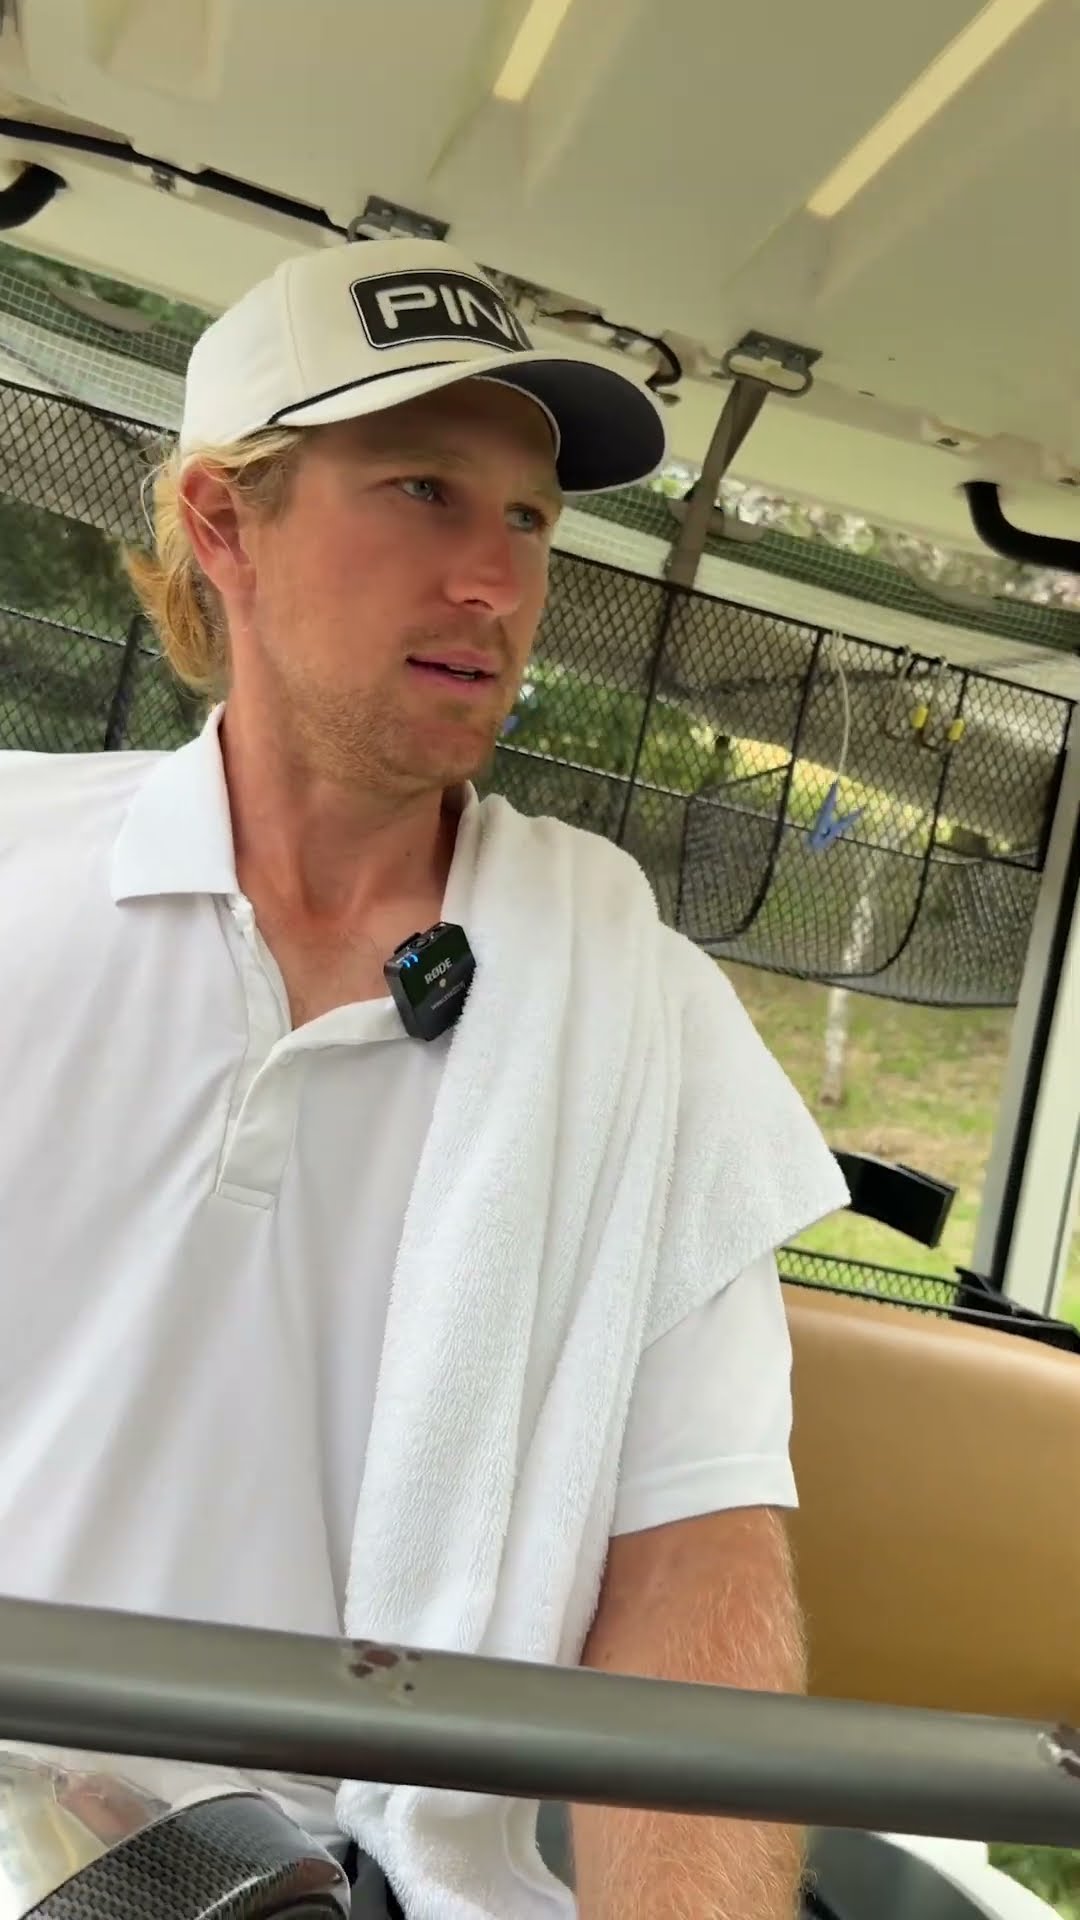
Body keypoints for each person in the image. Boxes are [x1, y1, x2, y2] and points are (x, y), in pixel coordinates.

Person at [0, 235, 847, 1917]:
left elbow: (690, 1565)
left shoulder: (641, 1017)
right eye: (422, 492)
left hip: (369, 1883)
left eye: (528, 519)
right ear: (224, 521)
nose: (494, 583)